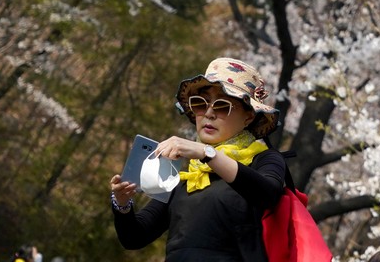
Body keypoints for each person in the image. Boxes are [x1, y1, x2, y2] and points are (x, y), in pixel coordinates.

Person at [110, 57, 285, 261]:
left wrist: (206, 153)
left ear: (249, 117)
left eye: (222, 106)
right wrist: (122, 203)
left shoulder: (264, 159)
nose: (209, 113)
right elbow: (135, 237)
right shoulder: (187, 175)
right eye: (200, 104)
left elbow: (267, 195)